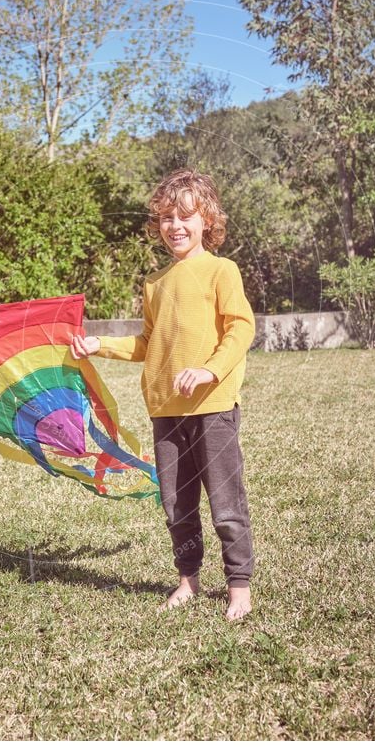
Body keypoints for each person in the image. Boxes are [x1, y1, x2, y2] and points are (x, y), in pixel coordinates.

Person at [70, 168, 256, 621]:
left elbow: (241, 328)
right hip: (166, 413)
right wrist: (100, 345)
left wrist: (209, 370)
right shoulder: (154, 284)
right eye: (167, 217)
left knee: (225, 501)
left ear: (206, 221)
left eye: (185, 216)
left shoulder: (221, 271)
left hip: (212, 409)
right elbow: (147, 343)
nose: (175, 225)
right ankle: (188, 580)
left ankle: (239, 587)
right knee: (177, 505)